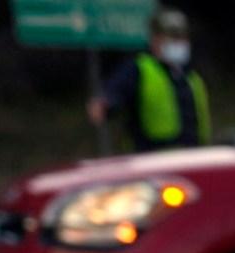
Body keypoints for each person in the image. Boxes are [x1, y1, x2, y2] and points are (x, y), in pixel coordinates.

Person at [88, 8, 211, 153]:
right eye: (172, 38)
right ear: (155, 40)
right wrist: (104, 104)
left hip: (191, 157)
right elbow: (114, 94)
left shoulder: (191, 75)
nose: (179, 43)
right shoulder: (139, 69)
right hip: (152, 160)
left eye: (182, 38)